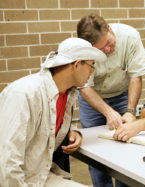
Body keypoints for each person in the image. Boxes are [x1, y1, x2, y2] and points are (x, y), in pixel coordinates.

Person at [0, 37, 106, 186]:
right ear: (76, 65)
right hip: (16, 180)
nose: (92, 72)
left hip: (40, 176)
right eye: (91, 66)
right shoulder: (24, 94)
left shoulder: (67, 94)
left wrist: (71, 132)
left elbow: (46, 125)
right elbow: (6, 164)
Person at [76, 14, 145, 187]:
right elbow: (85, 87)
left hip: (121, 94)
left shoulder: (130, 36)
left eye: (109, 43)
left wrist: (130, 111)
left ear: (109, 28)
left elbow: (135, 76)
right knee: (95, 151)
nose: (108, 50)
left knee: (125, 146)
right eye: (101, 50)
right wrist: (108, 112)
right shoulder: (81, 49)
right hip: (92, 99)